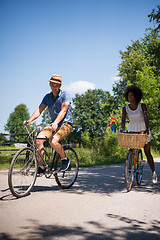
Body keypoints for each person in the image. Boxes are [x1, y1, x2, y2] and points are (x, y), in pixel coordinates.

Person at [24, 74, 73, 174]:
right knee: (38, 140)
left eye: (56, 85)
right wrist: (29, 120)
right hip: (53, 125)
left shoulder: (65, 95)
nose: (54, 87)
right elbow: (39, 110)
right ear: (50, 85)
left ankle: (65, 159)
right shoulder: (47, 97)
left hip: (65, 124)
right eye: (52, 85)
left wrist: (55, 122)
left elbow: (63, 110)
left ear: (60, 86)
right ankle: (41, 167)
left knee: (53, 141)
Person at [121, 85, 157, 184]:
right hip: (132, 129)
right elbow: (123, 120)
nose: (130, 98)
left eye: (132, 96)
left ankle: (153, 172)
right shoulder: (125, 108)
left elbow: (145, 117)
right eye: (128, 96)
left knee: (147, 152)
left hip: (143, 129)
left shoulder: (142, 106)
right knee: (131, 150)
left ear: (136, 96)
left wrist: (147, 128)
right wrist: (122, 128)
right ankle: (129, 173)